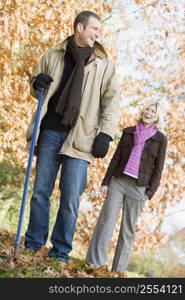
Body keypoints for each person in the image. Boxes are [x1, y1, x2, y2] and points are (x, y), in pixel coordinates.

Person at [24, 10, 120, 263]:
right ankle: (33, 244)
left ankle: (60, 252)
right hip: (50, 131)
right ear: (79, 27)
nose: (98, 34)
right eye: (94, 29)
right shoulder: (54, 55)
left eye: (99, 30)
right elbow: (37, 88)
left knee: (70, 198)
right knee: (40, 192)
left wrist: (106, 135)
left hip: (82, 138)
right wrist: (37, 83)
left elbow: (111, 102)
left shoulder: (103, 63)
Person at [85, 101, 167, 273]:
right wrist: (106, 182)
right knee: (106, 221)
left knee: (127, 230)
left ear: (157, 117)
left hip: (139, 188)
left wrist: (149, 193)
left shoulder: (160, 139)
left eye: (153, 111)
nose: (149, 112)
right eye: (147, 109)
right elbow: (116, 158)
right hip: (119, 182)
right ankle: (94, 264)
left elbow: (158, 169)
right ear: (142, 111)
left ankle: (118, 272)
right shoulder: (128, 132)